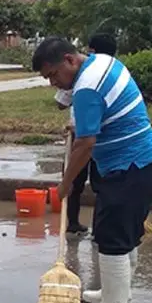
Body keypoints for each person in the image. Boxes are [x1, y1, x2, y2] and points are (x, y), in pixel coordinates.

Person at [35, 37, 152, 303]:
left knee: (113, 236)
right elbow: (104, 115)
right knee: (125, 232)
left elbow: (85, 145)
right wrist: (81, 123)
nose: (53, 83)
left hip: (128, 166)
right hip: (140, 162)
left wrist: (65, 184)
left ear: (70, 60)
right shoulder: (103, 62)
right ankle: (115, 293)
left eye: (53, 75)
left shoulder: (86, 88)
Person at [52, 33, 118, 235]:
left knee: (77, 182)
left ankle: (85, 225)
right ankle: (85, 226)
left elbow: (60, 104)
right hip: (90, 135)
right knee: (96, 184)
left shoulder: (86, 75)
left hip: (89, 137)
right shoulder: (111, 69)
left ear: (91, 51)